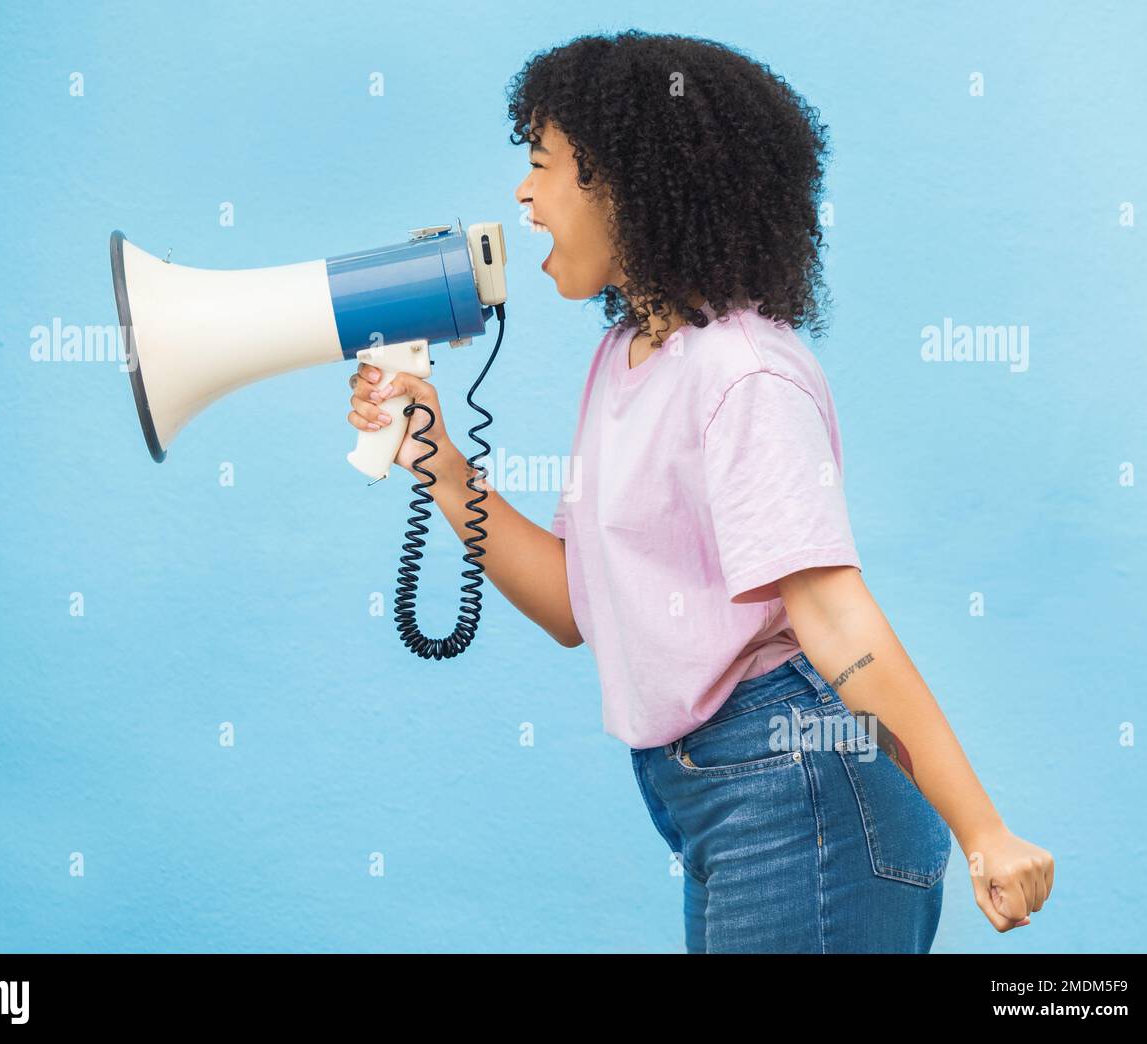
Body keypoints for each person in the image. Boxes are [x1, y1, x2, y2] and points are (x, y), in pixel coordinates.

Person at [345, 30, 1053, 953]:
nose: (522, 193)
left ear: (627, 181)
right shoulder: (623, 361)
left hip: (802, 792)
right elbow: (574, 605)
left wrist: (982, 831)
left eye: (543, 164)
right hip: (716, 795)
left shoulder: (742, 372)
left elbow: (835, 615)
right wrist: (439, 461)